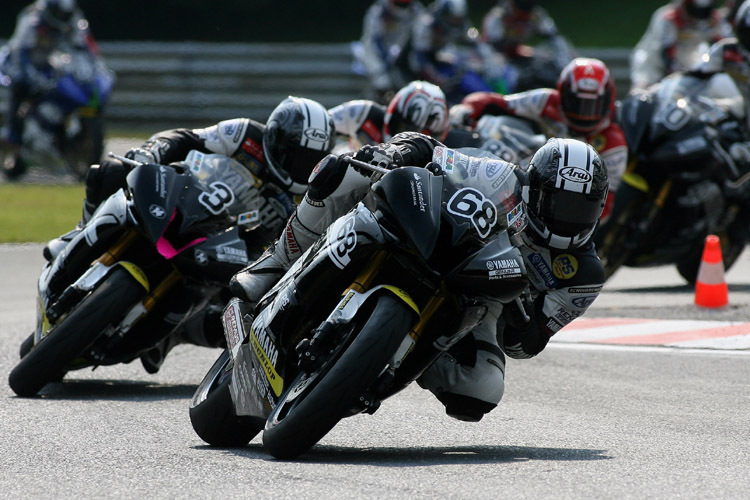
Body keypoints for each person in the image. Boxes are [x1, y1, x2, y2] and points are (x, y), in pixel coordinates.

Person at [230, 132, 608, 421]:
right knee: (342, 170)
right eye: (557, 202)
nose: (566, 216)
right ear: (534, 187)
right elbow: (432, 150)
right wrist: (396, 152)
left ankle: (385, 364)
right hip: (431, 238)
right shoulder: (503, 177)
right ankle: (274, 263)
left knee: (482, 390)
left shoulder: (584, 276)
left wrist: (522, 315)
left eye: (579, 208)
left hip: (481, 302)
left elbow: (524, 346)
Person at [45, 96, 336, 373]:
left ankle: (170, 335)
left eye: (309, 159)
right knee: (110, 170)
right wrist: (152, 152)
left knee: (237, 319)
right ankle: (79, 232)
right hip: (189, 200)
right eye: (294, 152)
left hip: (238, 252)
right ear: (276, 137)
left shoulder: (309, 197)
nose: (297, 163)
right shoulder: (246, 133)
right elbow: (187, 138)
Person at [450, 57, 627, 222]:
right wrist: (467, 108)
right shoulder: (546, 100)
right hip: (526, 172)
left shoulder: (614, 143)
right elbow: (498, 102)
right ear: (563, 93)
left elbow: (605, 203)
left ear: (608, 100)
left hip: (564, 207)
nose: (585, 113)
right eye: (577, 103)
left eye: (593, 105)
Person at [0, 0, 101, 152]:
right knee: (20, 84)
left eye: (65, 14)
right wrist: (31, 74)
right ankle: (13, 136)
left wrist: (92, 68)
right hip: (17, 62)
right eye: (59, 13)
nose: (62, 17)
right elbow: (20, 51)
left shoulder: (73, 20)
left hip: (48, 62)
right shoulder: (32, 20)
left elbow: (82, 46)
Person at [629, 0, 733, 92]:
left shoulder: (714, 19)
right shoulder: (669, 18)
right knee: (642, 91)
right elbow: (666, 52)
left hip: (687, 60)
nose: (700, 15)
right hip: (652, 62)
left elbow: (728, 44)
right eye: (696, 10)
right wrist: (676, 77)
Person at [328, 79, 450, 151]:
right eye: (403, 129)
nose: (406, 140)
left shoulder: (445, 153)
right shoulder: (361, 114)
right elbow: (320, 123)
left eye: (423, 137)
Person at [357, 0, 425, 102]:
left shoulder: (417, 10)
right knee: (382, 82)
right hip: (379, 57)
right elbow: (372, 42)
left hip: (405, 57)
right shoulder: (378, 11)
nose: (402, 8)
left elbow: (421, 38)